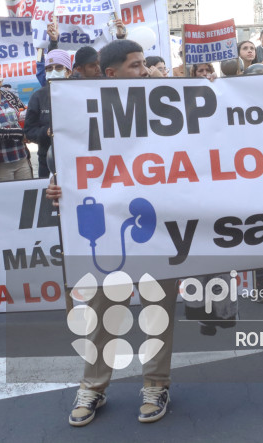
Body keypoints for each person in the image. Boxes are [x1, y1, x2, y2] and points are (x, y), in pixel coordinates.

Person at [47, 39, 179, 426]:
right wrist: (57, 187)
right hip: (106, 229)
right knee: (103, 310)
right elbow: (70, 168)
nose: (146, 71)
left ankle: (156, 384)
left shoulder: (168, 108)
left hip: (158, 223)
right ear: (111, 73)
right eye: (136, 65)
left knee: (158, 309)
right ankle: (93, 386)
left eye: (145, 64)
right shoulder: (80, 113)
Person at [25, 50, 72, 178]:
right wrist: (46, 132)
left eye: (58, 67)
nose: (53, 71)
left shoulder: (79, 93)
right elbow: (29, 131)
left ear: (68, 71)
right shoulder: (38, 96)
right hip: (47, 160)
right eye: (49, 68)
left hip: (77, 159)